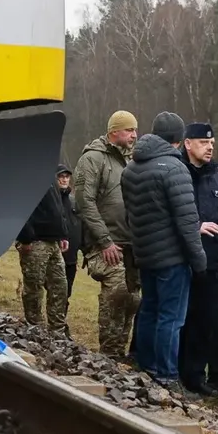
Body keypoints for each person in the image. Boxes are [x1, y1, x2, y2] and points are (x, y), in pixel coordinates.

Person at [120, 112, 207, 391]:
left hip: (145, 253)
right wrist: (199, 260)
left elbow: (130, 216)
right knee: (171, 317)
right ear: (178, 140)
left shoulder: (131, 169)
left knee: (149, 310)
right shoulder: (174, 168)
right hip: (172, 256)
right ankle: (167, 375)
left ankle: (145, 365)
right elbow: (187, 220)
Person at [178, 122, 218, 396]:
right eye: (203, 142)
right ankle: (173, 373)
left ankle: (195, 377)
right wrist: (195, 228)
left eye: (212, 143)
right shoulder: (178, 173)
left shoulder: (217, 178)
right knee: (181, 320)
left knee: (204, 323)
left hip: (212, 264)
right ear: (187, 143)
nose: (210, 147)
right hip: (182, 260)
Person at [74, 111, 141, 359]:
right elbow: (84, 202)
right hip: (105, 243)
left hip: (130, 244)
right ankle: (109, 354)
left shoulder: (131, 161)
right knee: (116, 293)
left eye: (135, 130)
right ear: (114, 131)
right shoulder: (93, 159)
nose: (134, 135)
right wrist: (104, 241)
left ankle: (120, 354)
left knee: (132, 300)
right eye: (129, 130)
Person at [14, 175, 70, 334]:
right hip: (35, 241)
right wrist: (25, 237)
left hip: (54, 241)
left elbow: (58, 206)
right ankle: (35, 329)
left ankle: (57, 330)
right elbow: (20, 205)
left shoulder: (49, 173)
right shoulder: (27, 173)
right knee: (34, 287)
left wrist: (63, 234)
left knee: (60, 286)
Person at [56, 164, 82, 302]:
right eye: (61, 176)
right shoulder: (50, 199)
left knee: (67, 291)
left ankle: (61, 321)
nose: (64, 180)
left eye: (66, 177)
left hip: (71, 256)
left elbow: (80, 224)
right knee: (54, 291)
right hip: (54, 255)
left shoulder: (73, 201)